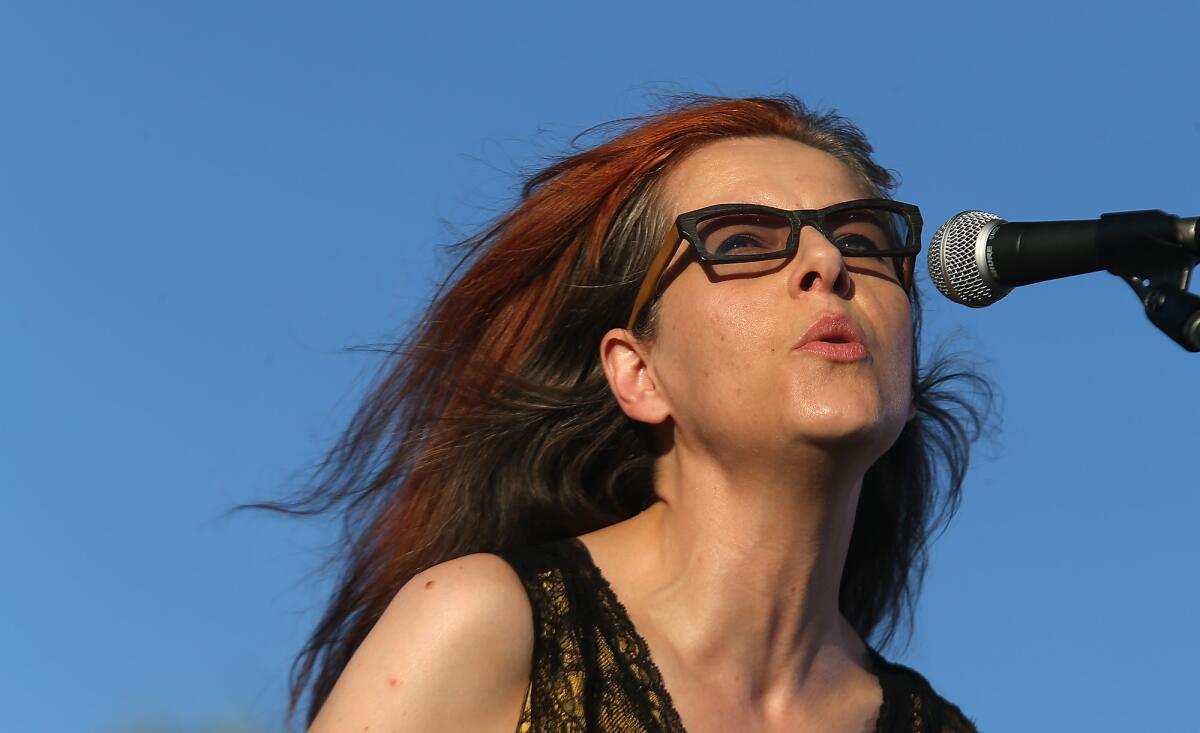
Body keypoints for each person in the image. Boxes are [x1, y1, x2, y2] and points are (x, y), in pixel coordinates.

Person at [275, 95, 990, 732]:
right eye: (741, 241)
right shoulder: (489, 626)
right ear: (639, 372)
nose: (827, 263)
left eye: (861, 241)